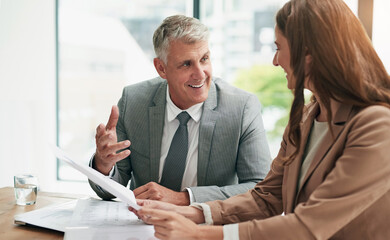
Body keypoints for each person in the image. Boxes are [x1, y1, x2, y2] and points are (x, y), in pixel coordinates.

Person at [130, 0, 390, 239]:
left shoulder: (378, 126)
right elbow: (267, 197)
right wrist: (190, 213)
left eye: (279, 48)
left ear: (309, 53)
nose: (275, 61)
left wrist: (200, 235)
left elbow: (308, 226)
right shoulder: (306, 117)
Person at [89, 15, 272, 206]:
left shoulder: (242, 108)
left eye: (204, 59)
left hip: (205, 228)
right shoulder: (133, 101)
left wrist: (184, 198)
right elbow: (111, 189)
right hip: (144, 225)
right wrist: (103, 165)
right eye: (186, 64)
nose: (200, 74)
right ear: (161, 68)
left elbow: (261, 189)